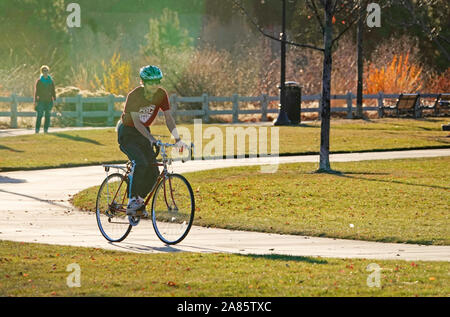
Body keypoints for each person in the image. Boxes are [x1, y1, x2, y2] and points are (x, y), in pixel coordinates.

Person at [117, 65, 188, 216]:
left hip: (144, 133)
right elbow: (136, 122)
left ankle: (139, 201)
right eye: (150, 82)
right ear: (143, 82)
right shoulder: (135, 95)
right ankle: (131, 202)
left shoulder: (161, 95)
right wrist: (151, 139)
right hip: (128, 133)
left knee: (154, 172)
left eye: (157, 82)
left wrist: (177, 139)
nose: (154, 85)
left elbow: (168, 118)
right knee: (141, 162)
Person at [34, 65, 56, 134]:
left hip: (49, 101)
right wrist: (36, 101)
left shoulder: (51, 81)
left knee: (47, 116)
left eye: (46, 71)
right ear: (42, 72)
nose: (45, 72)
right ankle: (37, 129)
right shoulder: (39, 81)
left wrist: (54, 99)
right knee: (39, 115)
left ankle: (46, 129)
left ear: (48, 71)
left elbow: (53, 90)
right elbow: (36, 92)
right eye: (44, 71)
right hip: (41, 100)